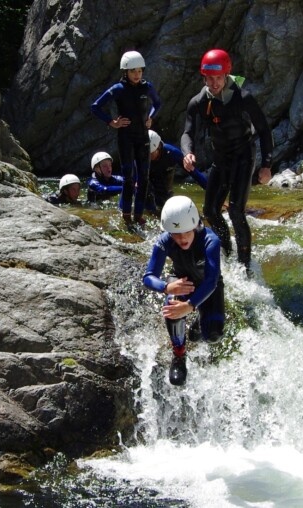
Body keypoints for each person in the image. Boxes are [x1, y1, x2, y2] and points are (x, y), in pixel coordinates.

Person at [181, 48, 273, 273]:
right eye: (209, 78)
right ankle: (227, 250)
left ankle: (245, 265)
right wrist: (187, 153)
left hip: (243, 156)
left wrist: (267, 165)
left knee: (235, 211)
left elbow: (263, 129)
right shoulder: (199, 102)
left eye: (218, 78)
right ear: (204, 78)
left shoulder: (243, 98)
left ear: (226, 75)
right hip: (220, 159)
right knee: (211, 211)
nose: (214, 83)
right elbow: (187, 133)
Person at [143, 195, 224, 386]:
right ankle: (179, 356)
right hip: (180, 281)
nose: (181, 238)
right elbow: (148, 277)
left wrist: (190, 305)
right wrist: (166, 287)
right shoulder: (165, 240)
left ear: (195, 225)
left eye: (186, 232)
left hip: (208, 286)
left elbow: (212, 280)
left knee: (213, 335)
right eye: (175, 234)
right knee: (172, 309)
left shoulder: (210, 241)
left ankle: (197, 324)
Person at [91, 50, 161, 227]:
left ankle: (138, 215)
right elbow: (95, 106)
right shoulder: (118, 89)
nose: (137, 75)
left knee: (144, 178)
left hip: (143, 138)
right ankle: (126, 215)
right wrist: (111, 122)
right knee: (128, 178)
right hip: (126, 138)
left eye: (139, 71)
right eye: (133, 71)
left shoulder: (147, 87)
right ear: (125, 72)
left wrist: (151, 117)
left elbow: (158, 104)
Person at [146, 130, 208, 213]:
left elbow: (194, 173)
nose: (148, 156)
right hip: (147, 190)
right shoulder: (141, 155)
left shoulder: (172, 152)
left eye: (151, 153)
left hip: (165, 190)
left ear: (158, 147)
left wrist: (212, 192)